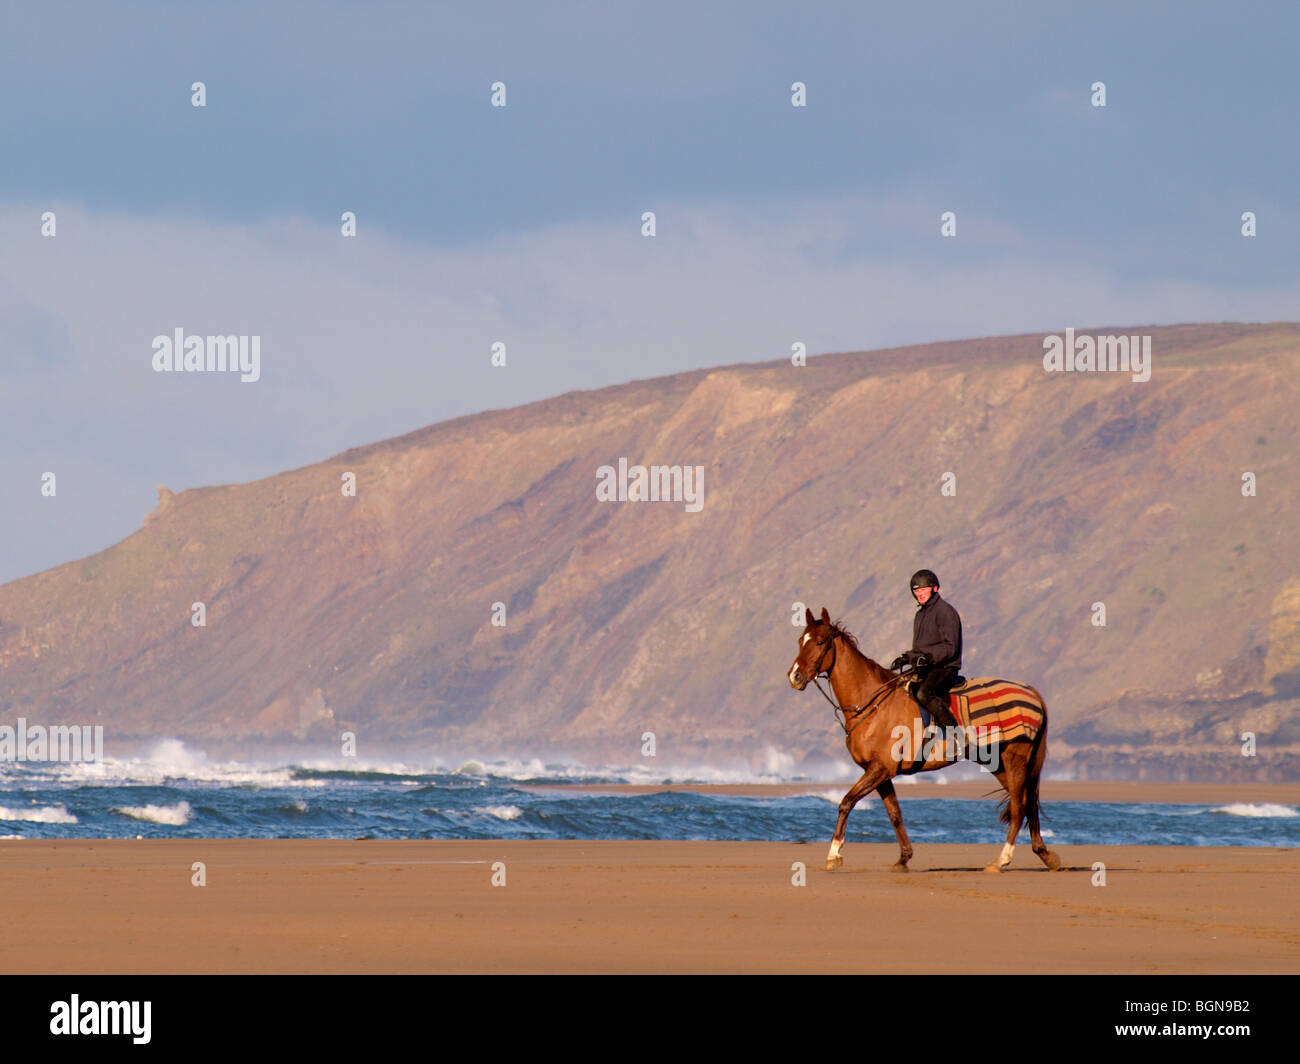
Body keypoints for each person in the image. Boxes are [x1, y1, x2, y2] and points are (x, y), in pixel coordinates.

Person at [889, 569, 962, 731]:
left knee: (924, 694)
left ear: (934, 588)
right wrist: (907, 658)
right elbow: (920, 649)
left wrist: (929, 658)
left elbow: (951, 647)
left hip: (945, 668)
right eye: (916, 590)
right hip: (928, 667)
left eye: (923, 589)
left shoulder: (945, 611)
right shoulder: (920, 615)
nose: (919, 593)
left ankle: (955, 734)